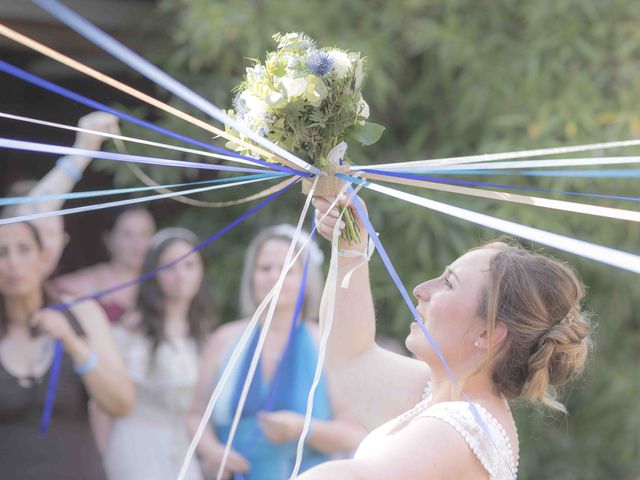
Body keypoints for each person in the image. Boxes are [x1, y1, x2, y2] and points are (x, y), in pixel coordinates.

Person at [297, 196, 594, 480]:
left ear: (487, 334)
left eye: (448, 283)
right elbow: (351, 355)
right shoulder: (439, 395)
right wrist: (351, 250)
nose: (421, 289)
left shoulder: (460, 429)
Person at [188, 224, 366, 480]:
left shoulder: (324, 342)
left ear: (306, 279)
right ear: (252, 276)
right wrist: (213, 451)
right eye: (265, 268)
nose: (274, 276)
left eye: (286, 269)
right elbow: (196, 413)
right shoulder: (224, 339)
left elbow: (353, 432)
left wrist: (301, 428)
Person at [0, 221, 135, 480]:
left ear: (44, 258)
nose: (13, 262)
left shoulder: (81, 314)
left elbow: (122, 403)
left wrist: (73, 343)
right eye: (2, 252)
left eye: (23, 249)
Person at [103, 227, 216, 480]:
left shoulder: (206, 333)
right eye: (170, 266)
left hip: (184, 451)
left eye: (189, 265)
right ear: (153, 273)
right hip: (135, 446)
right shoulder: (131, 330)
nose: (181, 276)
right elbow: (102, 405)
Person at [4, 111, 120, 278]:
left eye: (53, 235)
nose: (48, 246)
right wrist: (83, 150)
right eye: (39, 233)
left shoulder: (69, 300)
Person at [53, 204, 156, 323]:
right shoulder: (87, 281)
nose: (138, 244)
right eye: (127, 235)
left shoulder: (163, 279)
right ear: (108, 239)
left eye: (145, 234)